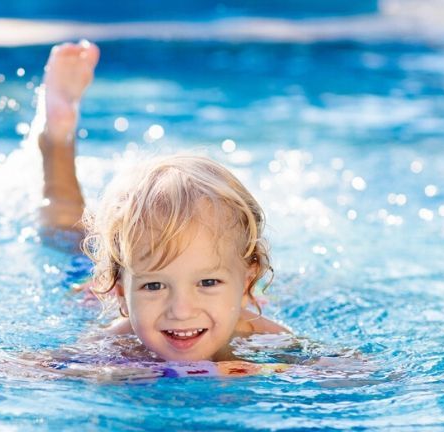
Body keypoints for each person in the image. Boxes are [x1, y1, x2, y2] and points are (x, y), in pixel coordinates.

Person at [38, 40, 289, 363]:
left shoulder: (264, 337)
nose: (181, 310)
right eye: (154, 286)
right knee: (66, 233)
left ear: (247, 282)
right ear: (120, 295)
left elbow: (348, 371)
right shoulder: (117, 341)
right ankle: (56, 138)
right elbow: (32, 369)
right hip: (97, 281)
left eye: (208, 282)